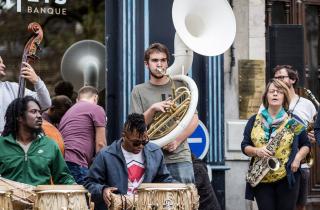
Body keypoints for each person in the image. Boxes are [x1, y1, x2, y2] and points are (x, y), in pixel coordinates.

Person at [130, 42, 198, 183]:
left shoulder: (181, 85)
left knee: (184, 202)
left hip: (179, 157)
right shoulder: (138, 90)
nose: (159, 64)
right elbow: (135, 126)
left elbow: (194, 120)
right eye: (155, 60)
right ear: (146, 64)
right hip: (150, 158)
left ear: (167, 63)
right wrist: (153, 108)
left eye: (163, 60)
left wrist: (177, 140)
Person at [241, 79, 311, 210]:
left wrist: (297, 159)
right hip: (261, 178)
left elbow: (306, 144)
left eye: (279, 92)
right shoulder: (254, 120)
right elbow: (244, 146)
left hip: (287, 176)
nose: (275, 94)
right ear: (266, 95)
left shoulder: (293, 121)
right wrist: (257, 151)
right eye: (271, 91)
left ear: (284, 96)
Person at [84, 113, 174, 210]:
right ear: (124, 136)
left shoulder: (155, 152)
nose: (140, 146)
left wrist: (180, 187)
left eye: (144, 142)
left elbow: (164, 179)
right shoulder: (105, 155)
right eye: (136, 143)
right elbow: (89, 184)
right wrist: (102, 190)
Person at [266, 65, 316, 210]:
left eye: (281, 77)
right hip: (275, 163)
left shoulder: (307, 105)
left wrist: (313, 136)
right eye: (275, 78)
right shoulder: (268, 103)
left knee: (299, 205)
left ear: (293, 79)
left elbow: (313, 131)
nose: (277, 80)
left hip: (300, 163)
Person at [0, 96, 75, 186]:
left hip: (41, 199)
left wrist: (75, 187)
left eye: (39, 112)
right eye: (33, 111)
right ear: (19, 117)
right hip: (9, 199)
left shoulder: (50, 145)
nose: (39, 116)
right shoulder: (2, 144)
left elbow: (63, 178)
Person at [59, 85, 107, 185]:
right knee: (84, 198)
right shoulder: (96, 109)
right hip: (77, 163)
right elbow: (101, 144)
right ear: (95, 98)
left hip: (62, 163)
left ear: (77, 100)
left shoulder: (68, 112)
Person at [0, 56, 51, 133]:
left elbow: (45, 103)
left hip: (11, 143)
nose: (3, 65)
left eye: (2, 62)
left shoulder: (13, 88)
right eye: (0, 63)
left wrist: (37, 81)